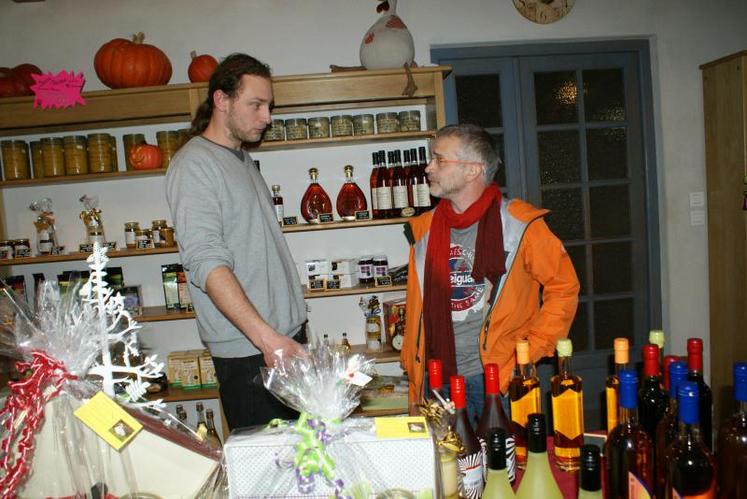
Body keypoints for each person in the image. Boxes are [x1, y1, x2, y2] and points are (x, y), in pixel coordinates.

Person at [165, 53, 307, 430]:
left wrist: (283, 337)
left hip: (279, 341)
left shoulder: (241, 160)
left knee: (306, 466)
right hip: (252, 352)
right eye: (256, 105)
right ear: (222, 100)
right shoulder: (194, 165)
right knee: (270, 476)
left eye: (269, 106)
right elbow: (207, 263)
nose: (268, 118)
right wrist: (267, 340)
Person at [400, 123, 580, 421]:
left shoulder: (522, 226)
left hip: (498, 380)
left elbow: (564, 289)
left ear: (472, 170)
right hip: (436, 378)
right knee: (448, 467)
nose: (428, 167)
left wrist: (528, 352)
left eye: (439, 159)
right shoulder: (423, 230)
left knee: (503, 467)